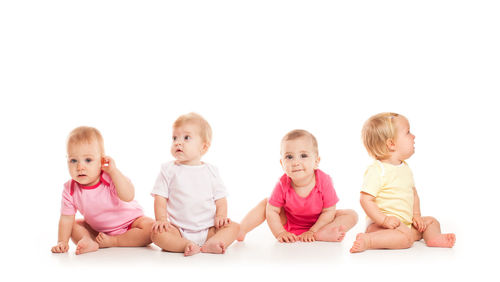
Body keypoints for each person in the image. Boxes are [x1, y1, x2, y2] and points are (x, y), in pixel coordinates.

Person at [350, 113, 456, 253]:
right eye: (408, 132)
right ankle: (368, 240)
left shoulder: (405, 168)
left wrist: (417, 216)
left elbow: (413, 193)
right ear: (391, 144)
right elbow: (365, 199)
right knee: (405, 239)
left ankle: (433, 238)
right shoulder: (377, 170)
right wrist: (384, 220)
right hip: (381, 226)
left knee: (431, 222)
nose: (413, 136)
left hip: (404, 223)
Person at [238, 129, 358, 243]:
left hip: (321, 223)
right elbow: (272, 211)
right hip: (290, 223)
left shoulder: (324, 180)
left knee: (351, 215)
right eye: (289, 157)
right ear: (282, 163)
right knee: (267, 204)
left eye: (303, 156)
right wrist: (280, 233)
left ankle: (321, 234)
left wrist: (313, 231)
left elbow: (329, 211)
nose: (295, 162)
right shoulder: (282, 183)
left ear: (316, 161)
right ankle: (240, 230)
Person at [51, 126, 154, 255]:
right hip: (100, 232)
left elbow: (128, 196)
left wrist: (114, 171)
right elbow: (66, 218)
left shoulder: (109, 177)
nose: (80, 167)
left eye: (88, 160)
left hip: (131, 224)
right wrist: (62, 241)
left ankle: (115, 241)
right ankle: (88, 241)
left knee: (150, 227)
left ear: (102, 160)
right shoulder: (70, 189)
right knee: (73, 224)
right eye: (73, 160)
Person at [150, 113, 240, 256]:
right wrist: (161, 220)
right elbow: (160, 198)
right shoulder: (168, 170)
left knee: (235, 227)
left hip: (208, 228)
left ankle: (213, 242)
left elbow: (220, 199)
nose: (178, 142)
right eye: (174, 138)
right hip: (177, 230)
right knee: (156, 234)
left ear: (203, 147)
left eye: (186, 138)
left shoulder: (211, 171)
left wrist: (221, 217)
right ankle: (185, 244)